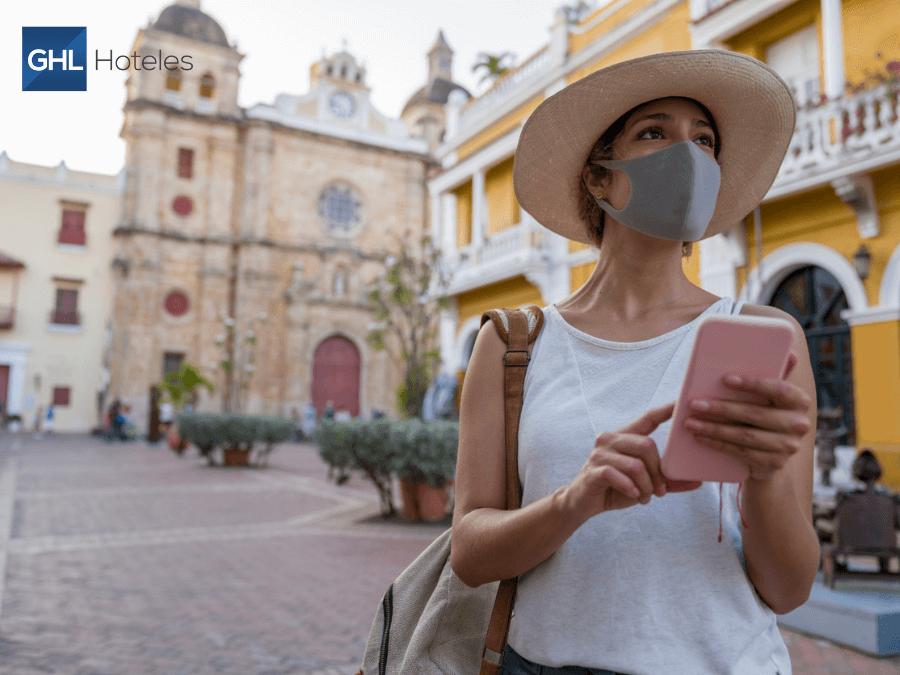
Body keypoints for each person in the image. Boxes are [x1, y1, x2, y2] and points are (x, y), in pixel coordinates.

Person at [451, 50, 819, 675]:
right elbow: (470, 551)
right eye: (655, 132)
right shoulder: (513, 344)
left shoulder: (763, 335)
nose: (690, 155)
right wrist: (574, 502)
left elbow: (788, 589)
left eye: (705, 141)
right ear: (599, 179)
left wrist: (763, 476)